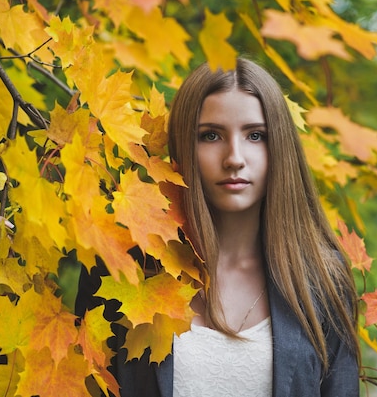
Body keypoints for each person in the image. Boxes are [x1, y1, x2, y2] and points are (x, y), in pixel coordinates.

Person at [76, 57, 360, 396]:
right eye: (210, 136)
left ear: (280, 149)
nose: (234, 157)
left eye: (256, 135)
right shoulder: (124, 269)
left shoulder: (321, 279)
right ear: (183, 147)